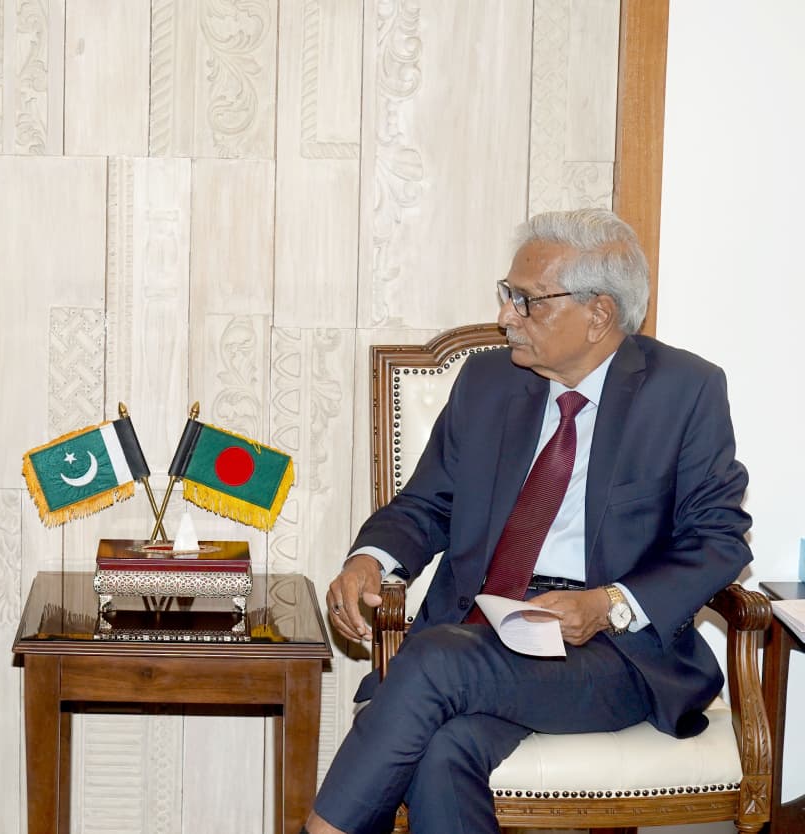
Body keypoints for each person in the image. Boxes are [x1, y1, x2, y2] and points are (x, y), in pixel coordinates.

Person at [306, 208, 752, 834]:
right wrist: (369, 559)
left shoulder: (684, 390)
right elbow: (428, 503)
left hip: (610, 651)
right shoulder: (488, 382)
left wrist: (610, 605)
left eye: (526, 300)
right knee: (443, 749)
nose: (504, 316)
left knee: (432, 660)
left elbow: (718, 538)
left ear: (598, 314)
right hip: (483, 627)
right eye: (507, 294)